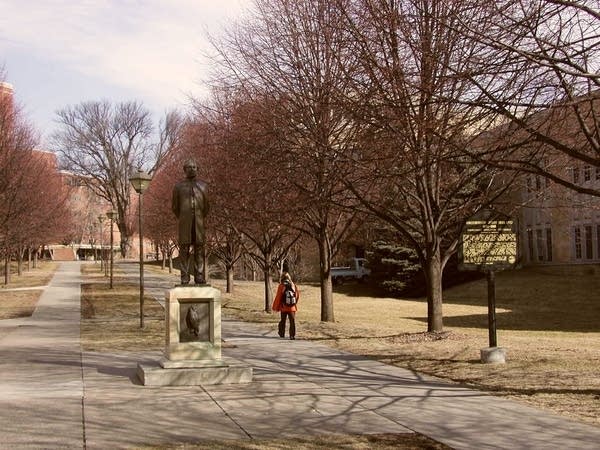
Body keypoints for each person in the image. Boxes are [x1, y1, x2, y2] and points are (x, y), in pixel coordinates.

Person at [171, 159, 209, 285]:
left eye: (194, 166)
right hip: (185, 222)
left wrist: (198, 217)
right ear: (184, 169)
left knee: (199, 249)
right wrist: (183, 216)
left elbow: (207, 207)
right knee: (184, 250)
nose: (192, 169)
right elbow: (175, 207)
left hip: (198, 222)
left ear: (197, 169)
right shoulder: (178, 187)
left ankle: (199, 276)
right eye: (189, 167)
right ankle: (184, 276)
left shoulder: (203, 186)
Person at [272, 272, 300, 340]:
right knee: (292, 321)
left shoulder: (281, 285)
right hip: (292, 307)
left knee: (283, 320)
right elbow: (297, 295)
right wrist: (294, 303)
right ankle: (292, 335)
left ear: (282, 278)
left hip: (283, 307)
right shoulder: (293, 285)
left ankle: (282, 333)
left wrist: (276, 307)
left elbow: (278, 297)